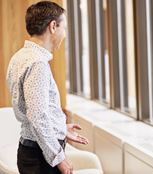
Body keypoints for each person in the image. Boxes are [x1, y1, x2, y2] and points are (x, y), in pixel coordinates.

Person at [6, 1, 89, 174]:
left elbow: (33, 112)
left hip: (33, 150)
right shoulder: (37, 63)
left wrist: (60, 128)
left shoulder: (20, 57)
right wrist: (60, 159)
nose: (64, 34)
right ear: (53, 26)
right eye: (63, 28)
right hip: (41, 158)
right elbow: (37, 117)